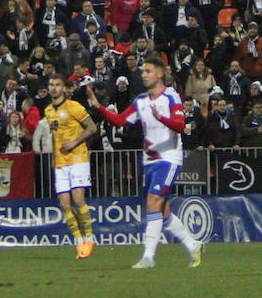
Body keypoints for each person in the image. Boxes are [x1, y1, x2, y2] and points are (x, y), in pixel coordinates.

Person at [87, 57, 203, 269]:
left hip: (169, 158)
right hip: (149, 161)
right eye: (143, 72)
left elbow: (179, 125)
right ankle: (193, 244)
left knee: (153, 202)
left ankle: (148, 257)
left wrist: (162, 118)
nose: (144, 75)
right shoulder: (140, 101)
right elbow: (121, 121)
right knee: (163, 211)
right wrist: (99, 108)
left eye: (148, 71)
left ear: (160, 73)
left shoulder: (170, 95)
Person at [45, 74, 99, 259]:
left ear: (64, 88)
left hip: (78, 158)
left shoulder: (74, 107)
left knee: (78, 200)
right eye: (51, 84)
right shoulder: (48, 111)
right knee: (64, 204)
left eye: (57, 84)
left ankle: (89, 238)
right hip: (60, 162)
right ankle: (78, 242)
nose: (53, 88)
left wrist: (74, 143)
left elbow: (92, 128)